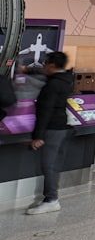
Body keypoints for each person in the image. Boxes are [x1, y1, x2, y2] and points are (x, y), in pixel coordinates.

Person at [26, 51, 73, 214]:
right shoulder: (65, 79)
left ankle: (51, 199)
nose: (44, 66)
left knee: (49, 165)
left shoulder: (53, 85)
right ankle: (51, 198)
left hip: (52, 129)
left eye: (46, 63)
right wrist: (27, 70)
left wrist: (37, 136)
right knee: (53, 165)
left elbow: (45, 111)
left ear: (52, 65)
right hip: (61, 126)